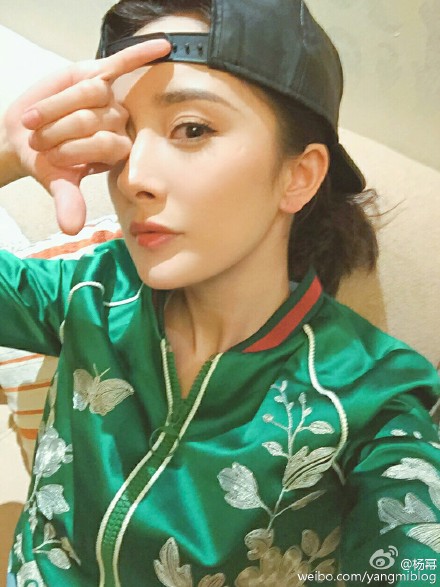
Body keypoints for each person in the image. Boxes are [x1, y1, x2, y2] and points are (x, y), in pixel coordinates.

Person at [1, 1, 439, 585]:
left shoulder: (374, 397)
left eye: (192, 129)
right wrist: (5, 151)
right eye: (124, 136)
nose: (134, 177)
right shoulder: (92, 292)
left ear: (299, 175)